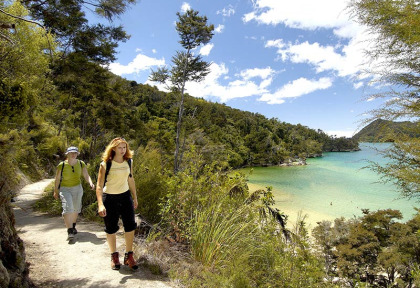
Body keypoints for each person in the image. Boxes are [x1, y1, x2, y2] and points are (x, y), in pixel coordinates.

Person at [96, 137, 139, 270]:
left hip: (125, 197)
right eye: (120, 147)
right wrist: (100, 204)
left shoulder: (129, 162)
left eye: (124, 147)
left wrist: (135, 197)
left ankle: (129, 255)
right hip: (109, 198)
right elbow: (99, 185)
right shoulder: (105, 164)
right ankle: (114, 256)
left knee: (130, 226)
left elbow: (131, 180)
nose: (122, 150)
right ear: (113, 148)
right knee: (111, 228)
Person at [54, 146, 95, 240]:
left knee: (76, 209)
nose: (73, 154)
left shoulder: (81, 163)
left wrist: (91, 183)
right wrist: (55, 191)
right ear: (67, 154)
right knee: (68, 208)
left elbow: (86, 175)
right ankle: (70, 231)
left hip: (77, 188)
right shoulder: (62, 165)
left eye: (75, 153)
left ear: (77, 154)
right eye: (71, 153)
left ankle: (72, 226)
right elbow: (57, 179)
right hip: (65, 189)